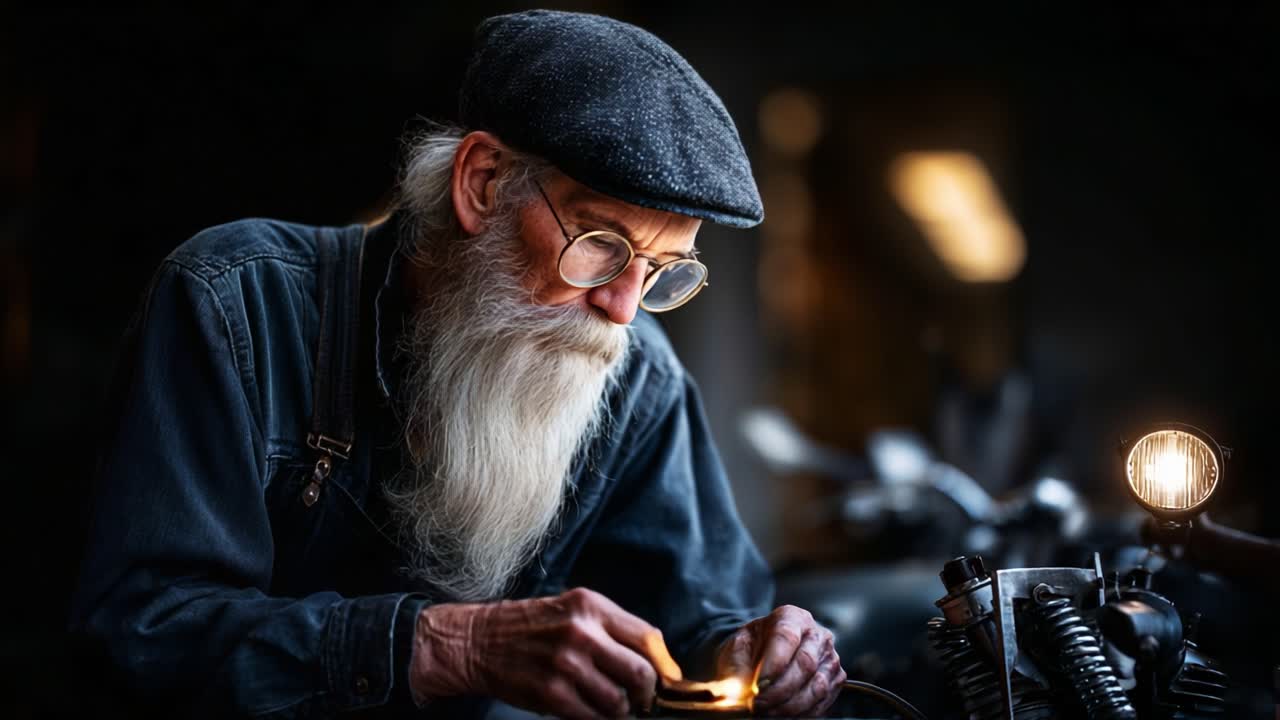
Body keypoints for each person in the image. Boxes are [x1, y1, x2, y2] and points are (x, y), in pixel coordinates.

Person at [67, 9, 845, 719]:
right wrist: (450, 646)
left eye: (661, 270)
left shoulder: (638, 379)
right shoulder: (236, 302)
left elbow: (700, 618)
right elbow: (142, 631)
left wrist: (751, 652)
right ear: (481, 182)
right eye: (601, 244)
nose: (622, 310)